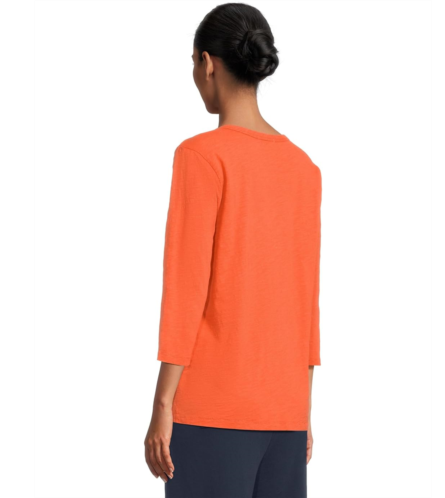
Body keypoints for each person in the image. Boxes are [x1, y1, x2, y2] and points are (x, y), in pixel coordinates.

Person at [144, 3, 322, 497]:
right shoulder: (304, 169)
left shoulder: (201, 156)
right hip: (285, 416)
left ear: (207, 63)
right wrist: (303, 411)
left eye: (193, 63)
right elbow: (305, 303)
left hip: (211, 414)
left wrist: (162, 407)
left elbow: (185, 292)